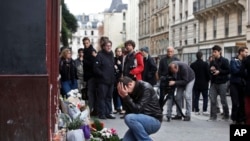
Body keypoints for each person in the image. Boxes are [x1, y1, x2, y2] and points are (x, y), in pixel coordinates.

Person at [117, 76, 162, 141]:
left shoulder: (145, 87)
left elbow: (137, 110)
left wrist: (126, 96)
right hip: (140, 121)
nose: (125, 93)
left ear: (130, 84)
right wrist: (124, 98)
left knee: (129, 118)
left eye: (124, 90)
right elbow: (129, 111)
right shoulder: (130, 90)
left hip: (154, 121)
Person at [93, 40, 116, 119]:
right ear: (103, 46)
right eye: (107, 45)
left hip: (111, 80)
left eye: (110, 45)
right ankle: (102, 113)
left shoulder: (111, 54)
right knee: (102, 97)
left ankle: (108, 112)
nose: (109, 47)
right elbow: (95, 68)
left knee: (109, 97)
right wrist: (102, 75)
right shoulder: (99, 55)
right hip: (102, 81)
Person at [208, 45, 230, 121]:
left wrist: (219, 71)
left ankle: (226, 115)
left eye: (215, 52)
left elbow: (228, 71)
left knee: (223, 100)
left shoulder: (225, 60)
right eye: (213, 52)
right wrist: (211, 70)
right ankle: (213, 116)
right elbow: (209, 72)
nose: (213, 53)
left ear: (219, 52)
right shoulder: (212, 61)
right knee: (213, 99)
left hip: (222, 82)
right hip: (214, 82)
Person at [158, 46, 179, 120]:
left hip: (172, 81)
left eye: (171, 51)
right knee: (161, 97)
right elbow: (159, 71)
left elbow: (178, 71)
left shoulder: (176, 60)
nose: (169, 53)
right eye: (168, 51)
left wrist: (175, 80)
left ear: (173, 52)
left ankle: (169, 113)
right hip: (164, 81)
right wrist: (161, 77)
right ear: (166, 52)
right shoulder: (162, 60)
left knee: (171, 97)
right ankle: (160, 111)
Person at [230, 47, 248, 124]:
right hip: (234, 83)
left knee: (242, 102)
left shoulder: (246, 61)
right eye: (245, 52)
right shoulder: (234, 60)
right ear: (241, 52)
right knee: (235, 102)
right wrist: (243, 72)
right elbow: (234, 71)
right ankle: (234, 118)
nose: (247, 54)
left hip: (243, 84)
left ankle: (241, 118)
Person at [190, 51, 210, 115]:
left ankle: (196, 110)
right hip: (204, 83)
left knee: (196, 97)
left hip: (196, 84)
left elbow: (191, 74)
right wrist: (208, 79)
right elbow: (208, 74)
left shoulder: (192, 65)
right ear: (202, 56)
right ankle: (204, 110)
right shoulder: (205, 64)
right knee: (205, 97)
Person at [82, 37, 98, 115]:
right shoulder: (85, 51)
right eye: (84, 43)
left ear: (90, 43)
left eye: (87, 43)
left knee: (90, 93)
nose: (86, 44)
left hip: (92, 75)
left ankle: (92, 109)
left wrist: (83, 60)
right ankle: (92, 109)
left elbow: (92, 64)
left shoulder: (92, 51)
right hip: (88, 75)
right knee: (89, 93)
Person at [113, 47, 124, 114]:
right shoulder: (113, 59)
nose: (119, 52)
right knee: (114, 93)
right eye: (118, 51)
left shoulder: (123, 59)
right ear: (116, 52)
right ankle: (116, 108)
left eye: (120, 51)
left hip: (121, 78)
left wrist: (119, 65)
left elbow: (123, 69)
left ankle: (123, 107)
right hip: (114, 78)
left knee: (121, 93)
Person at [241, 51, 250, 125]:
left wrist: (247, 77)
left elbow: (241, 72)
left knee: (247, 106)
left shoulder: (247, 59)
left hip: (248, 86)